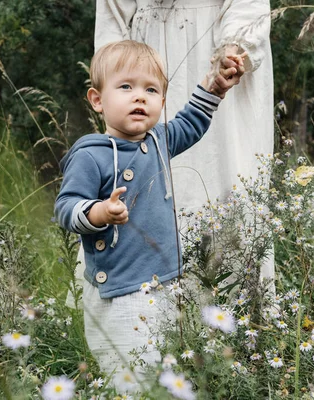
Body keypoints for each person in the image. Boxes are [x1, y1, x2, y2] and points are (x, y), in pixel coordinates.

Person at [55, 40, 243, 387]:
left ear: (161, 101)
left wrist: (214, 88)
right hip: (121, 290)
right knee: (131, 376)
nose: (139, 96)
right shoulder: (91, 154)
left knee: (166, 368)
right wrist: (100, 212)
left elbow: (191, 122)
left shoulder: (157, 139)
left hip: (166, 281)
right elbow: (66, 208)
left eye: (151, 89)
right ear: (97, 100)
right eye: (126, 87)